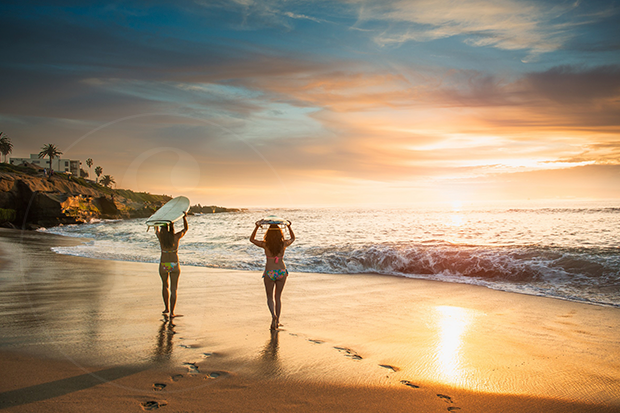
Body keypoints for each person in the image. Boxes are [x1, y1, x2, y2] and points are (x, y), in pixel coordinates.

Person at [250, 220, 295, 330]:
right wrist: (289, 227)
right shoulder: (283, 244)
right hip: (281, 272)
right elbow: (293, 238)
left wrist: (257, 227)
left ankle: (273, 316)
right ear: (280, 233)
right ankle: (278, 320)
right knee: (278, 297)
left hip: (269, 272)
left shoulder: (265, 244)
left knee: (270, 297)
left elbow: (252, 239)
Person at [155, 213, 188, 317]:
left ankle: (166, 309)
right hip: (174, 264)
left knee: (165, 286)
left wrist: (156, 219)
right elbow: (185, 229)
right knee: (174, 289)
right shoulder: (176, 237)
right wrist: (184, 218)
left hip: (164, 264)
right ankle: (172, 312)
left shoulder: (161, 237)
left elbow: (156, 230)